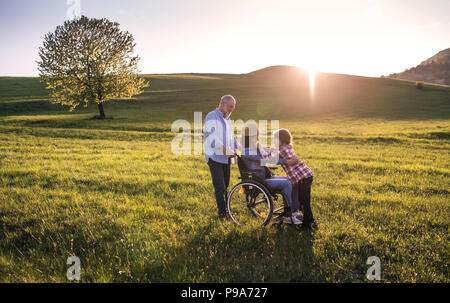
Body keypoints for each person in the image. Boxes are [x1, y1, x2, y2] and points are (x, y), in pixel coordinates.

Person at [240, 123, 302, 225]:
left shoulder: (254, 148)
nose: (257, 138)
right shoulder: (247, 152)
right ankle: (287, 215)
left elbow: (267, 150)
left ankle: (294, 211)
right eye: (255, 136)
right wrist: (287, 162)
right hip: (259, 181)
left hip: (265, 177)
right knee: (287, 183)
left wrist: (276, 150)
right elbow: (266, 160)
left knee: (293, 180)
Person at [272, 128, 318, 229]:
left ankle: (307, 224)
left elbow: (273, 158)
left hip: (303, 177)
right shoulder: (286, 148)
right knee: (304, 201)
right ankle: (310, 221)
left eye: (275, 140)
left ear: (282, 140)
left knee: (305, 201)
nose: (273, 142)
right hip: (305, 176)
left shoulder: (283, 149)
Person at [203, 95, 240, 220]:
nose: (231, 109)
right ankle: (222, 214)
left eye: (233, 107)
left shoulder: (228, 119)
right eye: (230, 106)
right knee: (220, 186)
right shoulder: (211, 117)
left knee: (226, 185)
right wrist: (226, 150)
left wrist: (240, 148)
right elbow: (212, 139)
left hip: (226, 159)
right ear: (222, 104)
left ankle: (226, 210)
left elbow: (231, 137)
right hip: (215, 158)